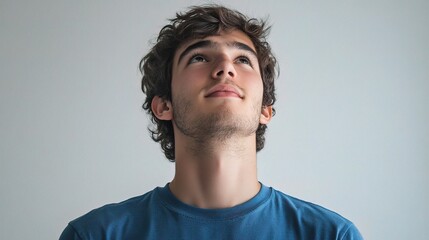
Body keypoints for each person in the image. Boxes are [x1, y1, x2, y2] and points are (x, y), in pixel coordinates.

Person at [60, 4, 363, 240]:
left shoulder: (330, 235)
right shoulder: (95, 235)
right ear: (164, 105)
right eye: (199, 58)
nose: (225, 68)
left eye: (243, 60)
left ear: (265, 110)